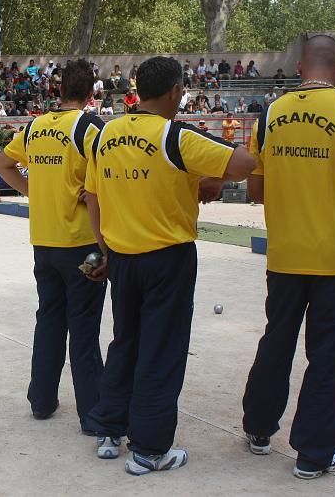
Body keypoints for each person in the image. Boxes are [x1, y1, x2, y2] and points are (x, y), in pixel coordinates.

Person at [81, 56, 255, 475]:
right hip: (167, 259)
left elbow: (94, 197)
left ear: (138, 90)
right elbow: (244, 165)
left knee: (126, 342)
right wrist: (211, 177)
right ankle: (150, 449)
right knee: (161, 351)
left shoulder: (105, 134)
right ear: (176, 91)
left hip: (121, 256)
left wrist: (104, 249)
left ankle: (109, 430)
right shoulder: (177, 136)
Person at [242, 35, 335, 480]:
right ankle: (314, 453)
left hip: (285, 255)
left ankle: (259, 429)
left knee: (276, 342)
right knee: (328, 356)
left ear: (302, 67)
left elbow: (254, 190)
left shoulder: (268, 116)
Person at [0, 59, 108, 437]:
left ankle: (41, 401)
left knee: (49, 322)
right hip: (82, 245)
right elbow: (105, 179)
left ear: (57, 90)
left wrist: (36, 194)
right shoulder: (90, 127)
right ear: (91, 95)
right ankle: (93, 414)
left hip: (43, 242)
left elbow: (3, 164)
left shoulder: (35, 126)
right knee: (85, 328)